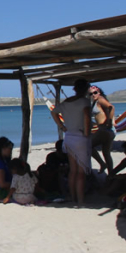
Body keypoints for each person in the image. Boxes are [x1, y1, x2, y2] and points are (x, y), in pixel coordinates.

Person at [52, 78, 93, 206]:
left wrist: (62, 126)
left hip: (69, 136)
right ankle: (81, 200)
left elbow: (53, 112)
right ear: (86, 89)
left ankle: (73, 197)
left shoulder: (66, 102)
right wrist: (87, 132)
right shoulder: (84, 102)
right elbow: (86, 116)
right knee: (81, 172)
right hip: (80, 137)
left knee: (73, 170)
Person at [90, 85, 116, 173]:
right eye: (90, 94)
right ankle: (111, 173)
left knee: (88, 146)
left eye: (95, 93)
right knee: (106, 153)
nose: (93, 95)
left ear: (99, 92)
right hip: (107, 129)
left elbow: (111, 107)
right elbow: (105, 112)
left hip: (105, 130)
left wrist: (108, 121)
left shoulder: (100, 99)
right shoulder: (96, 101)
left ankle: (102, 164)